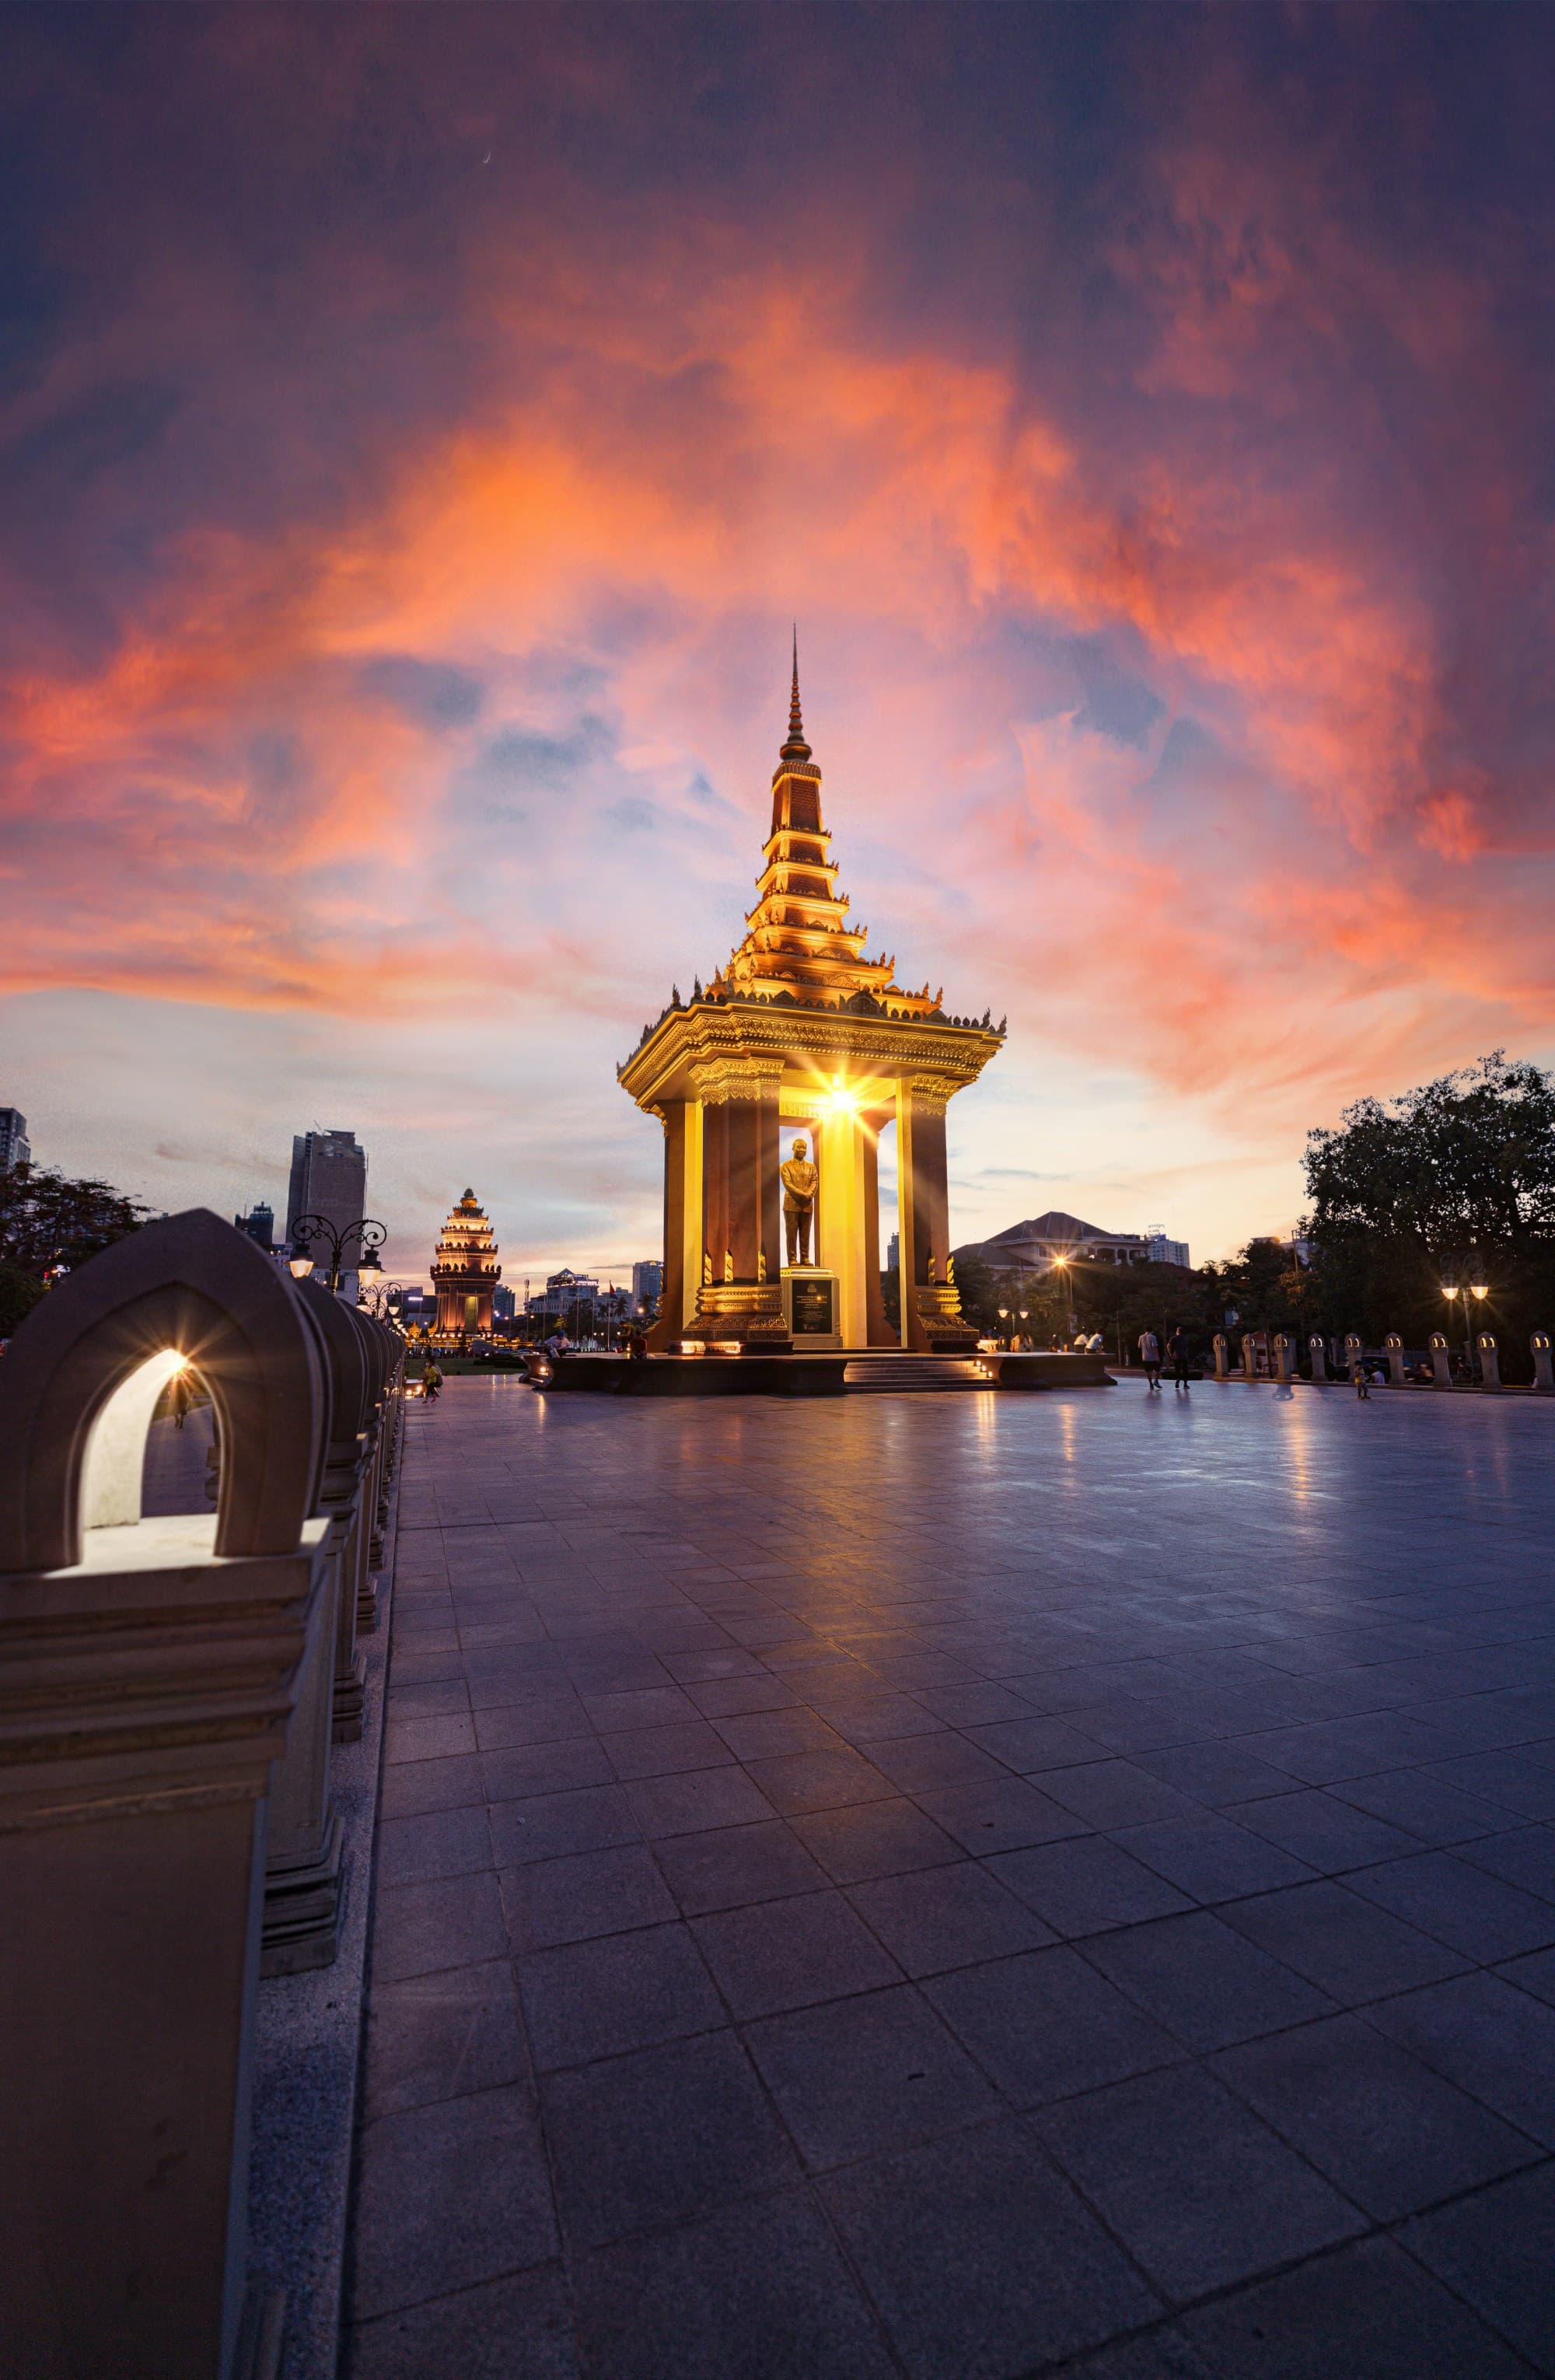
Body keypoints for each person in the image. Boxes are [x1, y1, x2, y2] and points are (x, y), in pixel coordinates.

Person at [1166, 1325, 1190, 1390]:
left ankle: (1178, 1379)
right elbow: (1187, 1348)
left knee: (1177, 1369)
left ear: (1177, 1331)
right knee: (1185, 1370)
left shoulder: (1173, 1338)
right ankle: (1185, 1384)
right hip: (1184, 1356)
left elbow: (1168, 1346)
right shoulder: (1186, 1338)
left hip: (1176, 1356)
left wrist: (1170, 1354)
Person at [1137, 1326, 1162, 1391]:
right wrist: (1157, 1357)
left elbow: (1140, 1346)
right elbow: (1155, 1347)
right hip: (1153, 1357)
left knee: (1148, 1371)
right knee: (1158, 1370)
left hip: (1145, 1357)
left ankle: (1150, 1384)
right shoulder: (1153, 1337)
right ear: (1152, 1330)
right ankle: (1156, 1381)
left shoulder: (1141, 1337)